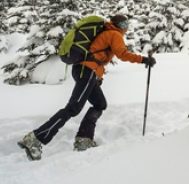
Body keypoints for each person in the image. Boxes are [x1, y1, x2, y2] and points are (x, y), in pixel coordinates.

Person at [17, 14, 156, 161]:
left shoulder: (107, 33)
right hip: (87, 71)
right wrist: (143, 59)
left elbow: (98, 56)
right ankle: (35, 138)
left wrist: (98, 79)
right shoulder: (114, 34)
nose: (126, 27)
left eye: (127, 23)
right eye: (124, 24)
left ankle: (84, 139)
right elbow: (122, 54)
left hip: (87, 72)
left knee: (100, 104)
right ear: (119, 25)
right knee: (73, 108)